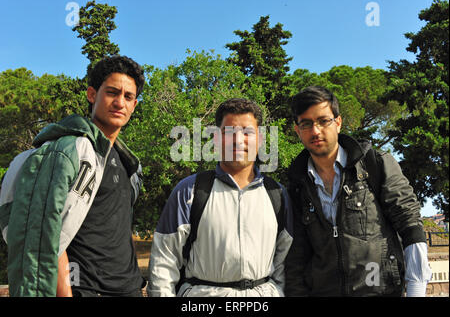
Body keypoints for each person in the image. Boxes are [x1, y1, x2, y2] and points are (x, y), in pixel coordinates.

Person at [0, 55, 146, 297]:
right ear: (92, 94)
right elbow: (47, 231)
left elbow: (118, 229)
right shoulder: (71, 151)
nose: (120, 102)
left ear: (134, 105)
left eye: (128, 97)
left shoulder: (127, 162)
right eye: (112, 92)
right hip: (84, 290)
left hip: (128, 289)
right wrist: (65, 292)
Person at [285, 86, 432, 297]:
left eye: (323, 121)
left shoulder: (376, 164)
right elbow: (296, 259)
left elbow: (410, 225)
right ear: (297, 130)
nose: (315, 131)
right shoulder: (297, 185)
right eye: (306, 124)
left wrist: (416, 291)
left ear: (338, 122)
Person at [147, 98, 293, 297]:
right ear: (216, 139)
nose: (238, 140)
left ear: (260, 139)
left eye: (247, 132)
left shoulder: (277, 194)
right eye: (229, 132)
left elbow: (285, 263)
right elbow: (163, 262)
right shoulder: (190, 190)